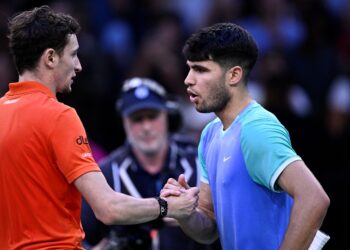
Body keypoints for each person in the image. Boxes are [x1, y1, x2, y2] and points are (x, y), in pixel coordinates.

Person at [0, 6, 199, 249]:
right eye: (73, 55)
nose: (79, 66)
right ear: (50, 58)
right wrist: (168, 206)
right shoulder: (59, 116)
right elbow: (108, 209)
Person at [161, 22, 330, 249]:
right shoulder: (210, 134)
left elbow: (314, 200)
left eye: (201, 69)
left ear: (234, 75)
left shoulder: (256, 128)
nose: (188, 79)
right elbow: (209, 227)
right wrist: (185, 214)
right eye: (190, 68)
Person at [81, 77, 219, 250]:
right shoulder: (107, 173)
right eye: (137, 119)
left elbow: (224, 226)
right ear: (124, 122)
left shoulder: (199, 162)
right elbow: (81, 239)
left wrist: (191, 216)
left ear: (167, 116)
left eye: (152, 116)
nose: (146, 127)